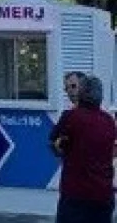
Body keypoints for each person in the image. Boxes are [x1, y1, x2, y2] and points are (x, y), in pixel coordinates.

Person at [50, 75, 115, 223]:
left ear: (82, 92)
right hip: (104, 196)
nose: (69, 92)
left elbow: (55, 145)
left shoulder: (71, 117)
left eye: (73, 87)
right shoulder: (109, 121)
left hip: (76, 196)